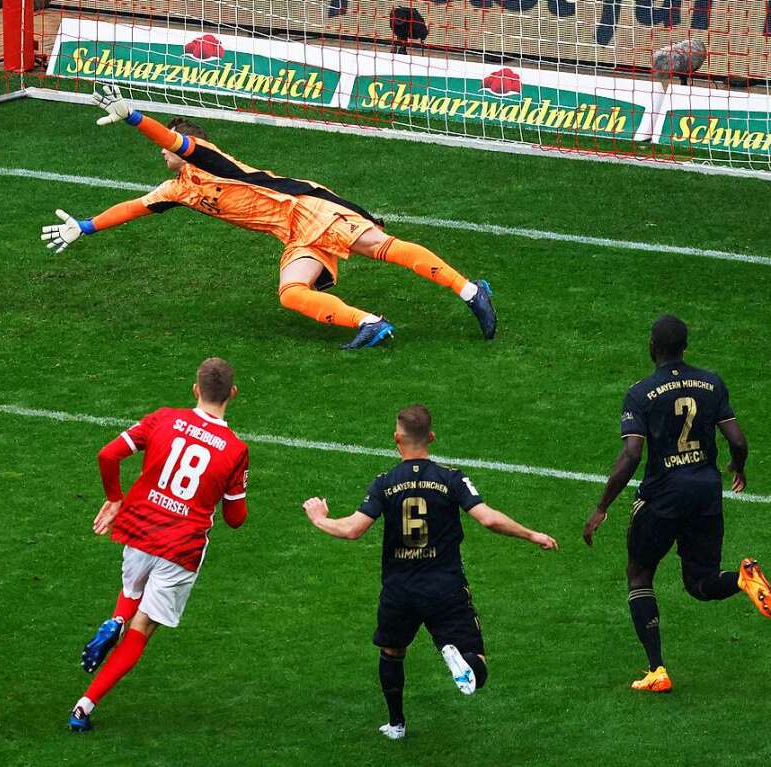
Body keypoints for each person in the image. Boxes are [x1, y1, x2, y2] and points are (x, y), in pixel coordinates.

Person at [41, 84, 497, 349]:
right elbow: (133, 208)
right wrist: (85, 226)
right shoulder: (177, 190)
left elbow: (176, 142)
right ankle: (370, 323)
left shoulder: (207, 158)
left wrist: (134, 118)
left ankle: (471, 291)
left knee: (382, 248)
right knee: (291, 294)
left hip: (307, 208)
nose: (164, 153)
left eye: (170, 146)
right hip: (293, 234)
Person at [302, 404, 557, 739]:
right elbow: (488, 518)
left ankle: (396, 724)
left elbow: (352, 529)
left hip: (399, 589)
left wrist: (319, 518)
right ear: (431, 437)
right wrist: (531, 534)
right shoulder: (451, 478)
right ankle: (460, 662)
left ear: (396, 438)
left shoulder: (384, 483)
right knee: (476, 665)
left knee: (392, 652)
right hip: (445, 586)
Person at [583, 315, 770, 693]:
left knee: (639, 573)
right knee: (699, 582)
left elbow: (631, 455)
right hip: (705, 492)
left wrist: (602, 506)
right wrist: (738, 465)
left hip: (663, 496)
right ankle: (742, 578)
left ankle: (657, 670)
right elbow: (737, 439)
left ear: (653, 346)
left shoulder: (641, 393)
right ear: (684, 346)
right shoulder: (711, 382)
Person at [68, 357, 250, 732]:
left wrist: (116, 497)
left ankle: (116, 619)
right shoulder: (235, 449)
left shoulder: (163, 418)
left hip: (139, 528)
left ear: (195, 389)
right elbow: (235, 519)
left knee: (130, 591)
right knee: (143, 628)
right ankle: (83, 707)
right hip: (182, 546)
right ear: (232, 393)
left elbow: (108, 454)